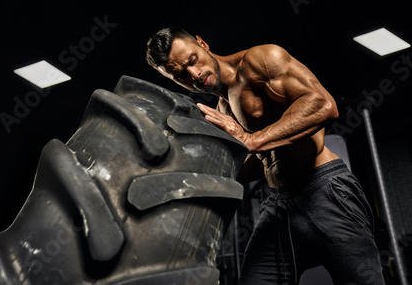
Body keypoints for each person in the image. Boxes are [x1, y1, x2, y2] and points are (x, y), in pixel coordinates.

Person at [145, 27, 385, 285]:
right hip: (279, 204)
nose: (194, 74)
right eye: (180, 75)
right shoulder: (222, 108)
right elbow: (261, 161)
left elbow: (324, 105)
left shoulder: (259, 60)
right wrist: (191, 179)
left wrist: (251, 140)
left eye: (192, 60)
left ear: (202, 43)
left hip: (324, 190)